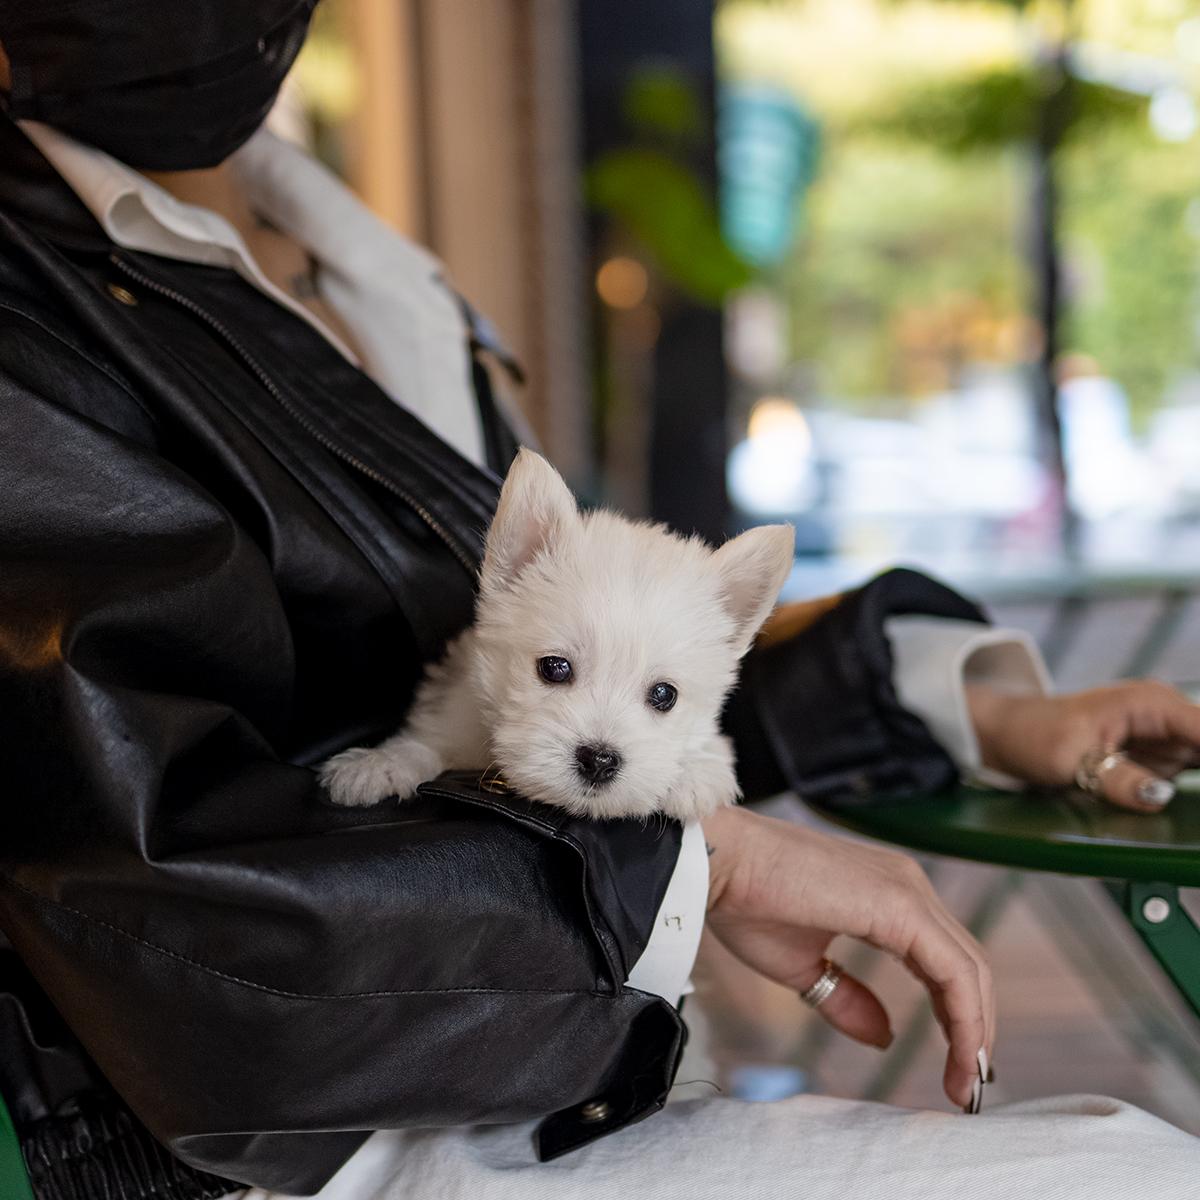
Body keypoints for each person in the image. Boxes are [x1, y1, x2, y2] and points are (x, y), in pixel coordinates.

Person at [0, 5, 1199, 1199]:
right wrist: (690, 869)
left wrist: (953, 700)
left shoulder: (346, 253)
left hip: (553, 1053)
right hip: (316, 1136)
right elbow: (150, 890)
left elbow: (615, 667)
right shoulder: (28, 325)